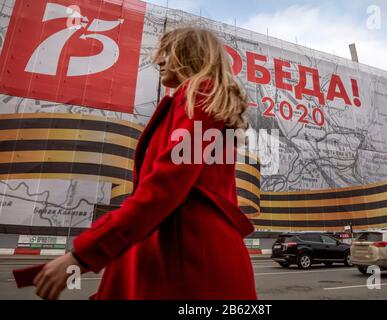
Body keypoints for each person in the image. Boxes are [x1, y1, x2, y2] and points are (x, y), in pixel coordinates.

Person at [33, 27, 257, 300]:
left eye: (167, 52)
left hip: (189, 262)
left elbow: (164, 186)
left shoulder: (200, 93)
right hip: (185, 253)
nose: (158, 61)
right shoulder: (198, 102)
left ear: (189, 53)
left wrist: (82, 255)